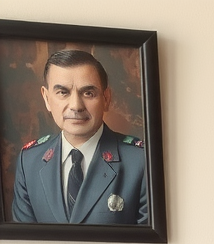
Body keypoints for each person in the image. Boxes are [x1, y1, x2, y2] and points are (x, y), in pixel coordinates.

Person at [12, 49, 148, 225]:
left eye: (88, 93)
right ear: (46, 98)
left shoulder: (140, 161)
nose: (76, 106)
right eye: (63, 92)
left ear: (106, 98)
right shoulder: (30, 161)